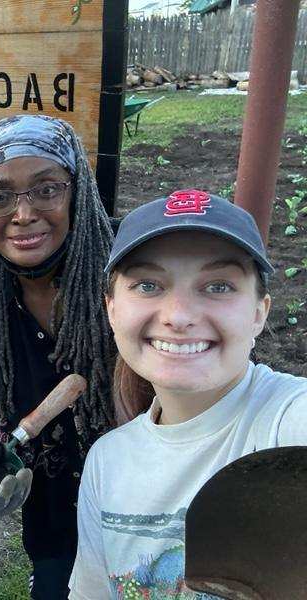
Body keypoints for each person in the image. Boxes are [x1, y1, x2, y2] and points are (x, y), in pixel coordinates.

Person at [69, 190, 307, 599]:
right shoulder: (106, 462)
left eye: (217, 286)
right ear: (111, 309)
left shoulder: (287, 419)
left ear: (259, 312)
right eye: (147, 285)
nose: (178, 316)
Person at [0, 114, 117, 598]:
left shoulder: (130, 273)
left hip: (146, 509)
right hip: (53, 522)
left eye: (47, 189)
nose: (23, 214)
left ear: (76, 191)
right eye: (0, 196)